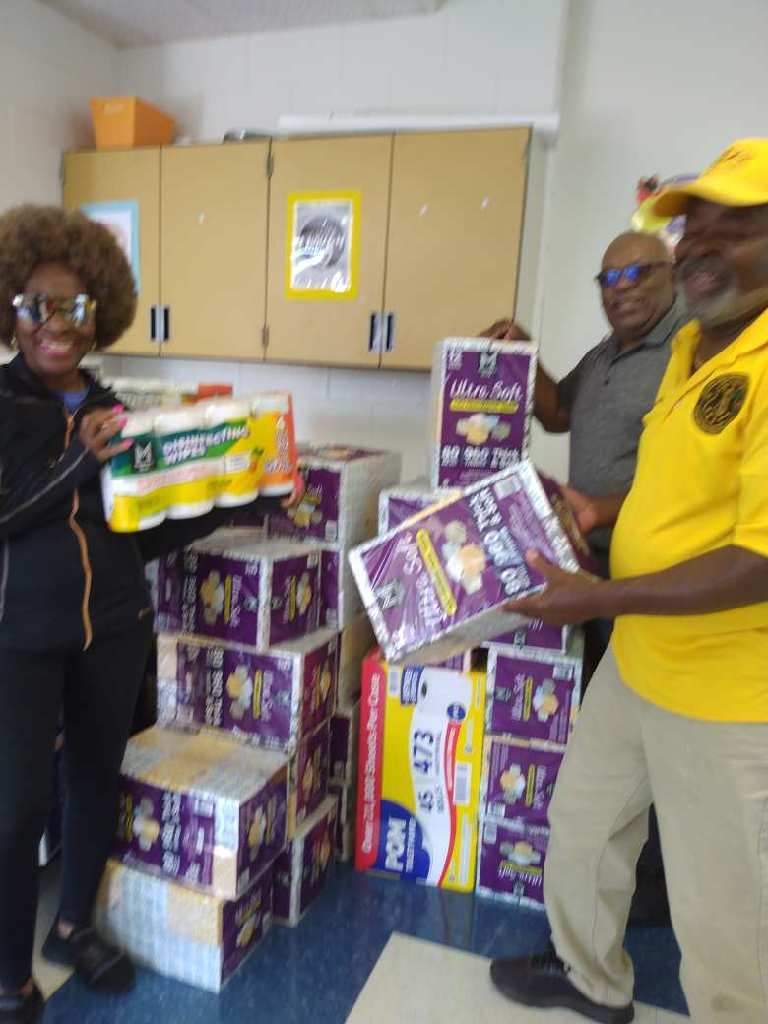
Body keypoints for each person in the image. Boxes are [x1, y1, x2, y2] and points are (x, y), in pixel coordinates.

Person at [489, 138, 768, 1024]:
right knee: (584, 827)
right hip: (639, 657)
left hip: (723, 689)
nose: (702, 241)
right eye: (693, 222)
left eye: (740, 221)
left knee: (721, 910)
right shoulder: (695, 349)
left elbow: (759, 559)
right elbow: (676, 490)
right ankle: (590, 978)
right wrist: (601, 515)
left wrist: (598, 595)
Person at [0, 205, 298, 1024]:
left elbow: (150, 523)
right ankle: (8, 974)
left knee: (96, 779)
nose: (56, 324)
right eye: (36, 306)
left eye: (75, 307)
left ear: (101, 313)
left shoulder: (113, 404)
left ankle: (71, 929)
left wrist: (251, 488)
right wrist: (75, 456)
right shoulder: (5, 405)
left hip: (116, 627)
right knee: (19, 801)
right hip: (19, 634)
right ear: (10, 314)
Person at [485, 230, 684, 927]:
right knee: (609, 725)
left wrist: (604, 506)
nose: (620, 287)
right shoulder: (607, 354)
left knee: (654, 740)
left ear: (672, 273)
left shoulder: (689, 352)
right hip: (592, 571)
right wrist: (522, 348)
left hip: (654, 582)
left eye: (636, 272)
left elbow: (693, 483)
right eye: (607, 278)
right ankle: (616, 878)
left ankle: (655, 889)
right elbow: (556, 411)